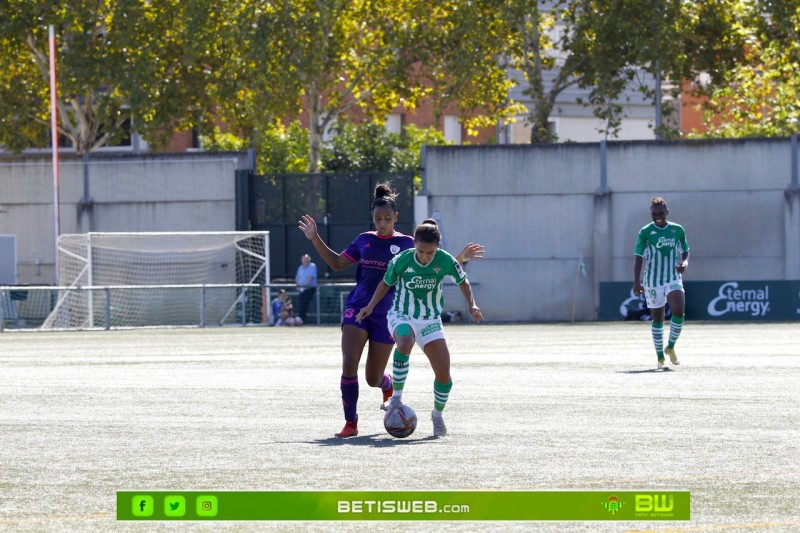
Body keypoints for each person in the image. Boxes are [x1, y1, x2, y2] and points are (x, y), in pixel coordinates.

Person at [299, 182, 483, 438]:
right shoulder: (364, 240)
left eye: (387, 218)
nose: (382, 223)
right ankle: (350, 423)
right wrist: (314, 237)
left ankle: (387, 386)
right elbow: (337, 262)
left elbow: (435, 262)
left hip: (388, 314)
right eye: (377, 218)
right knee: (349, 362)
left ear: (395, 217)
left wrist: (460, 259)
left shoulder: (409, 243)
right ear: (372, 218)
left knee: (372, 378)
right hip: (360, 306)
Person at [356, 218, 483, 437]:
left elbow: (462, 280)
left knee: (444, 373)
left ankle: (437, 415)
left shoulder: (445, 260)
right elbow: (385, 283)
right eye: (421, 251)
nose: (425, 257)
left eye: (430, 253)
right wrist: (370, 306)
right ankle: (395, 397)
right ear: (414, 244)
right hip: (401, 314)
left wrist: (471, 303)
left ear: (437, 249)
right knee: (405, 342)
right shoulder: (402, 260)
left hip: (430, 319)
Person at [633, 196, 690, 370]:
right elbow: (638, 258)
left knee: (679, 310)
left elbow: (685, 251)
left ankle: (670, 346)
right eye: (654, 213)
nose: (658, 216)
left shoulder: (677, 230)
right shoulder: (645, 232)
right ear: (651, 213)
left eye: (661, 213)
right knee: (658, 318)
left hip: (673, 277)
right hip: (652, 281)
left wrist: (684, 263)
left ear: (667, 212)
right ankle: (660, 357)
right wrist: (637, 282)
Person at [295, 254, 317, 323]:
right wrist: (298, 286)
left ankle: (301, 319)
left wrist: (303, 286)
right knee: (300, 303)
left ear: (309, 260)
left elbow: (310, 278)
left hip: (310, 289)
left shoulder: (312, 266)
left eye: (306, 260)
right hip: (301, 289)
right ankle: (299, 319)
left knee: (304, 303)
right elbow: (297, 278)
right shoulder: (300, 268)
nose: (305, 261)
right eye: (304, 260)